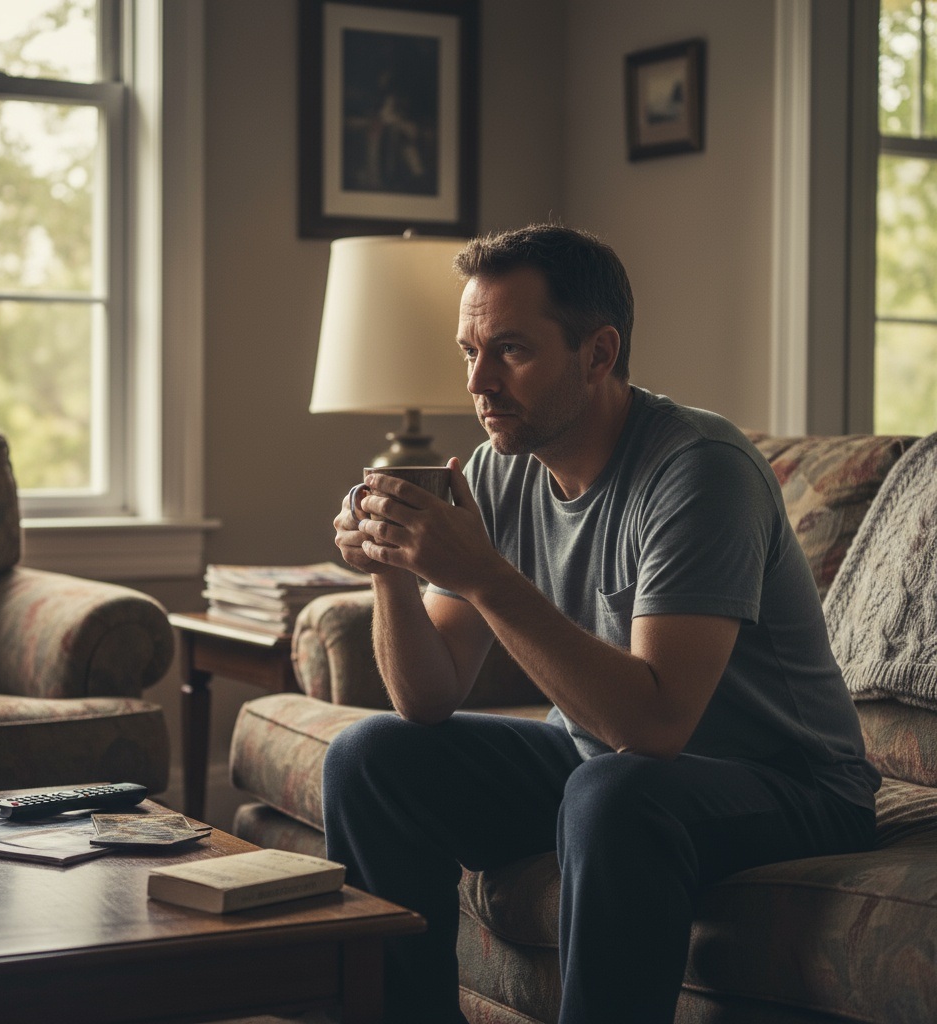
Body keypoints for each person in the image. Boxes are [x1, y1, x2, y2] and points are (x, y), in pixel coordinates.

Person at [323, 224, 878, 1024]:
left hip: (793, 784)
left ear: (598, 353)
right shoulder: (497, 467)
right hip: (607, 761)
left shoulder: (698, 470)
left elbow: (655, 726)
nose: (479, 381)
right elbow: (428, 698)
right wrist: (392, 574)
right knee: (371, 756)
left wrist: (482, 572)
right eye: (467, 350)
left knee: (614, 792)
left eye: (509, 350)